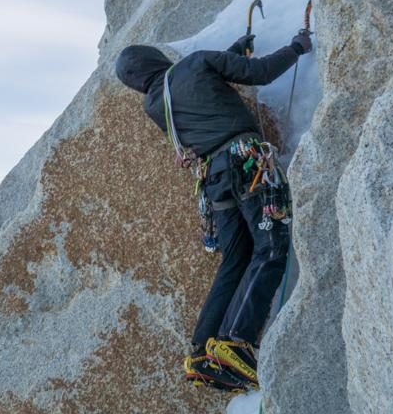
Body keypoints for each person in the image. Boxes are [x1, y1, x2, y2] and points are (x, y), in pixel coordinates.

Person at [115, 28, 312, 391]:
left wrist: (236, 50)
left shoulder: (155, 104)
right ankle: (236, 340)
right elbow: (261, 72)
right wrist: (296, 48)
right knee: (270, 247)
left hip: (215, 179)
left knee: (235, 260)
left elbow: (194, 85)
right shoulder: (198, 62)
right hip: (245, 160)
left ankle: (203, 351)